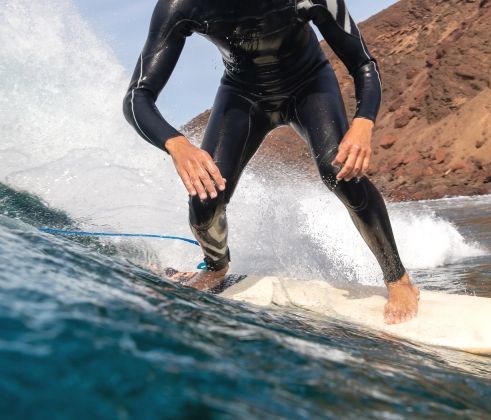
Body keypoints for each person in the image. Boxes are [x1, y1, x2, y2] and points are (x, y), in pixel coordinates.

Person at [122, 0, 419, 324]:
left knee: (340, 174)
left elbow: (363, 64)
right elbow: (137, 96)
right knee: (205, 198)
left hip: (310, 85)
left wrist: (364, 122)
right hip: (243, 95)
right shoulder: (181, 6)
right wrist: (177, 145)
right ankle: (217, 266)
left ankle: (398, 279)